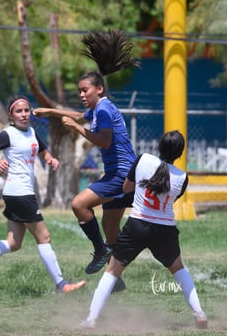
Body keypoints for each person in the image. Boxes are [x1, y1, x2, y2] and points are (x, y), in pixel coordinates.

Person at [0, 95, 86, 294]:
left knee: (13, 243)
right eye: (19, 111)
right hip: (19, 193)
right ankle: (61, 284)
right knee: (44, 237)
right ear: (11, 115)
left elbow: (43, 151)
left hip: (21, 193)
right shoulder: (8, 134)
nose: (24, 114)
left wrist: (51, 159)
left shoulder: (31, 132)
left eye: (26, 110)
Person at [33, 30, 138, 280]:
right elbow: (80, 116)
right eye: (79, 91)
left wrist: (78, 129)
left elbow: (104, 139)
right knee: (109, 227)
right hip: (125, 173)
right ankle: (115, 277)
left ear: (99, 89)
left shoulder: (102, 110)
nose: (81, 95)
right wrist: (51, 110)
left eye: (85, 90)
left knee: (79, 204)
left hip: (122, 174)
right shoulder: (101, 107)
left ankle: (101, 252)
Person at [80, 130, 208, 330]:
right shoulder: (182, 177)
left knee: (112, 271)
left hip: (137, 225)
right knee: (178, 269)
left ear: (158, 147)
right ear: (180, 154)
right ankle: (199, 314)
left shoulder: (143, 160)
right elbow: (169, 198)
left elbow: (125, 189)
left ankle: (91, 319)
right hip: (164, 229)